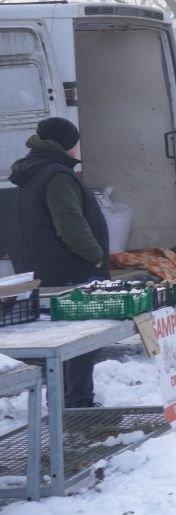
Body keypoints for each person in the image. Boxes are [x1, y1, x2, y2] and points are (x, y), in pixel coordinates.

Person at [9, 117, 110, 407]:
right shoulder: (57, 176)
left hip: (47, 266)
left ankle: (67, 400)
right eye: (74, 144)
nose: (76, 149)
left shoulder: (34, 171)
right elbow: (70, 224)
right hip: (69, 269)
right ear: (65, 144)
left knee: (67, 337)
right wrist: (95, 255)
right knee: (85, 335)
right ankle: (77, 402)